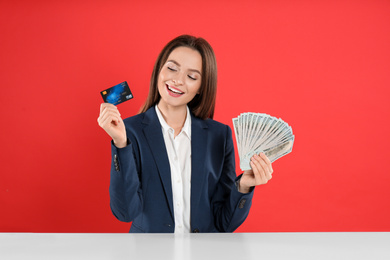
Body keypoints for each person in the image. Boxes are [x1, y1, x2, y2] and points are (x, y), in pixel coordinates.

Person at [97, 35, 273, 233]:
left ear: (200, 88)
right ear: (159, 70)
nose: (178, 80)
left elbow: (225, 223)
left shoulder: (219, 135)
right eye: (172, 68)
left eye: (191, 76)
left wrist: (243, 187)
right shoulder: (129, 131)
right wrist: (120, 143)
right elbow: (125, 213)